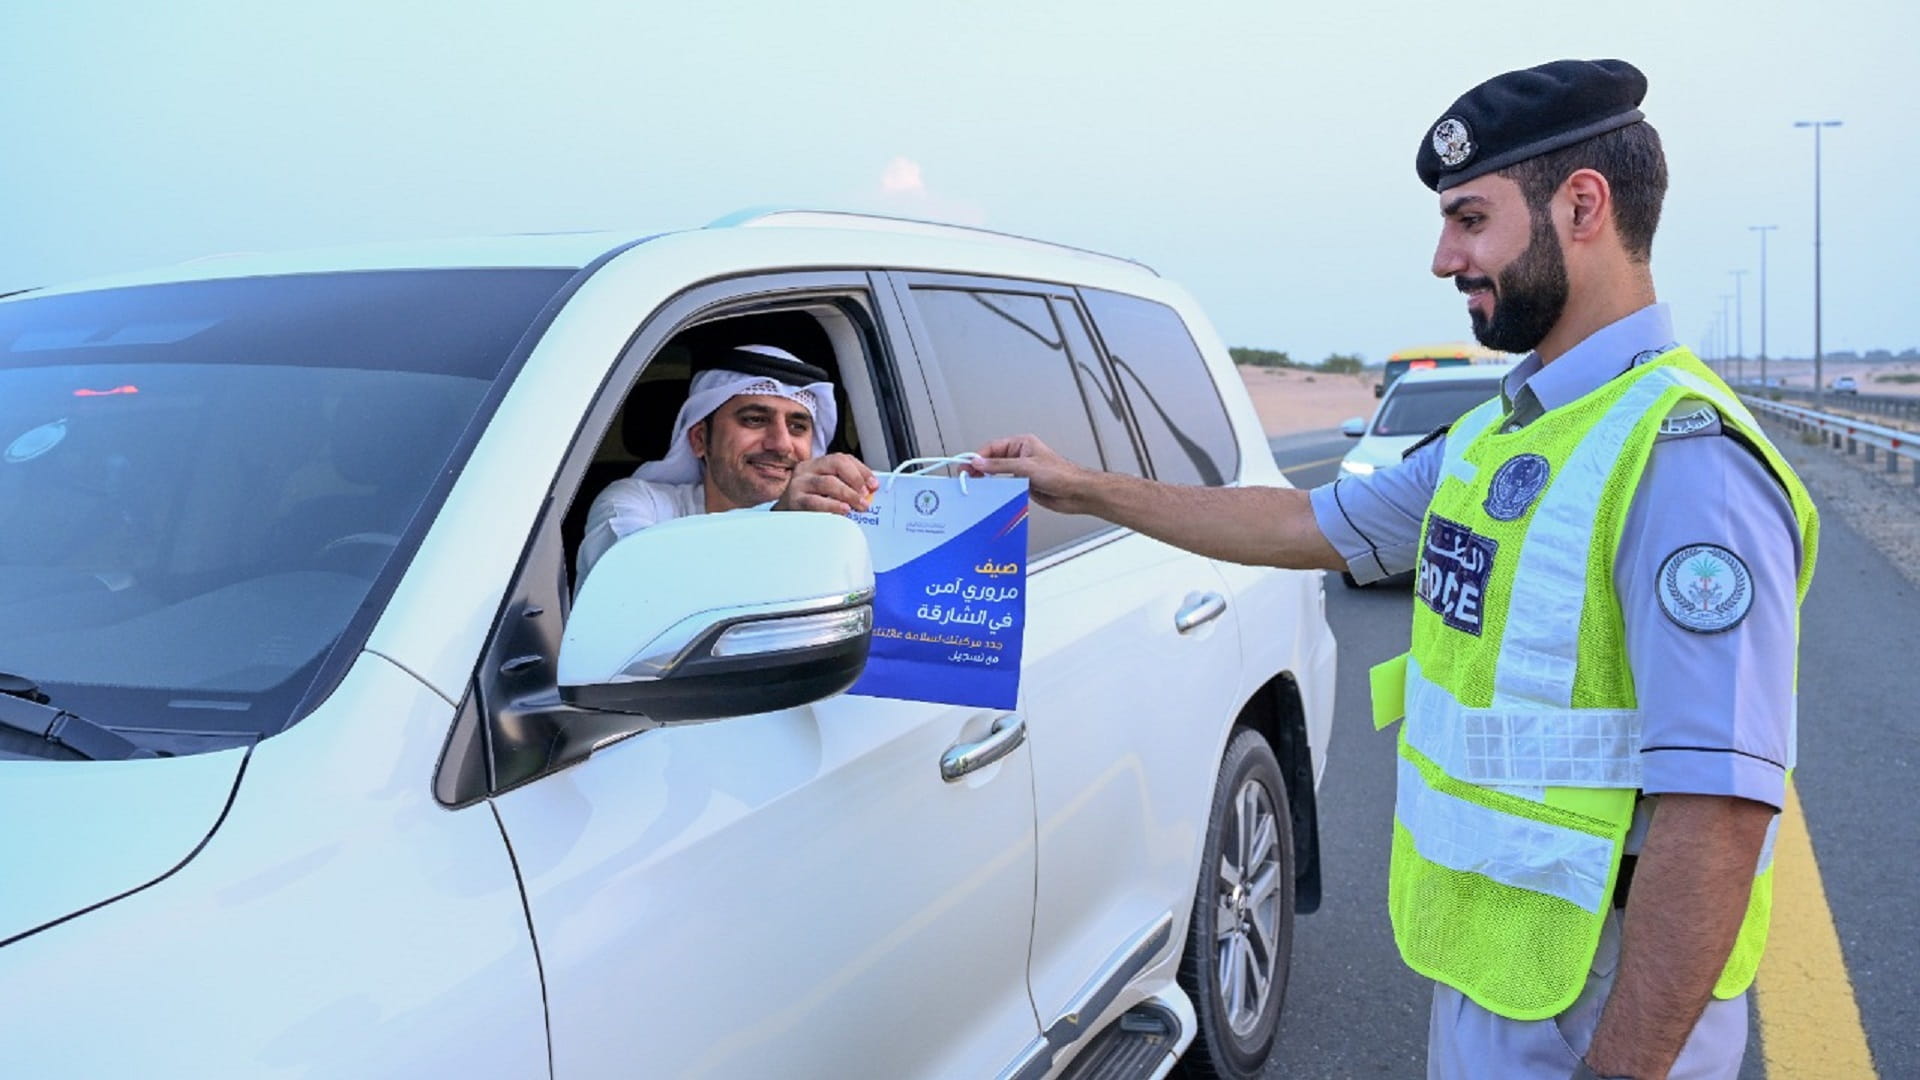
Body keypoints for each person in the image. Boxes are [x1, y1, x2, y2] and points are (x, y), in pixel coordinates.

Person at [972, 59, 1818, 1080]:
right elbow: (1299, 523)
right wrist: (1087, 488)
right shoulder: (1503, 437)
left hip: (1608, 1014)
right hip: (1494, 979)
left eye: (1469, 218)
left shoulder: (1683, 461)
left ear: (1581, 207)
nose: (1442, 256)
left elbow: (1718, 812)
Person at [576, 344, 878, 582]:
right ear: (698, 439)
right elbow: (636, 588)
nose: (781, 443)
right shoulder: (637, 504)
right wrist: (773, 524)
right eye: (755, 420)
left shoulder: (835, 528)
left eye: (798, 427)